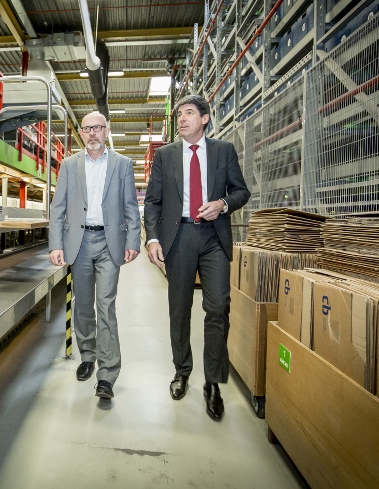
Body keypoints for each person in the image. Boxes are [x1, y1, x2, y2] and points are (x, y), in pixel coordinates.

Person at [143, 94, 250, 420]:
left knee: (218, 307)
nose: (182, 119)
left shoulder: (223, 151)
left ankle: (213, 383)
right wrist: (153, 238)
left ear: (205, 118)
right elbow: (153, 202)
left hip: (214, 236)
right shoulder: (166, 156)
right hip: (180, 238)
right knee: (180, 308)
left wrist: (223, 204)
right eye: (179, 115)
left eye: (189, 113)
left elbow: (241, 191)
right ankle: (182, 371)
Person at [49, 111, 141, 400]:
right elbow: (58, 207)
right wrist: (56, 244)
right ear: (81, 132)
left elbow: (130, 206)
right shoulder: (68, 165)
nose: (92, 133)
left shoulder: (122, 164)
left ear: (107, 130)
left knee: (106, 305)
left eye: (97, 128)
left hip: (109, 241)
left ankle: (108, 373)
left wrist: (134, 240)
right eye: (87, 128)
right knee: (83, 304)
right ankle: (87, 355)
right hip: (79, 242)